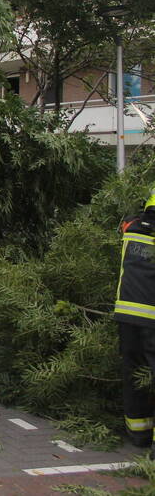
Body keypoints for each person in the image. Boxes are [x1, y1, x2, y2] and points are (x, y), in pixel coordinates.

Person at [115, 188, 155, 447]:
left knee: (135, 373)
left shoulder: (131, 228)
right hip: (153, 319)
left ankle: (138, 433)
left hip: (126, 314)